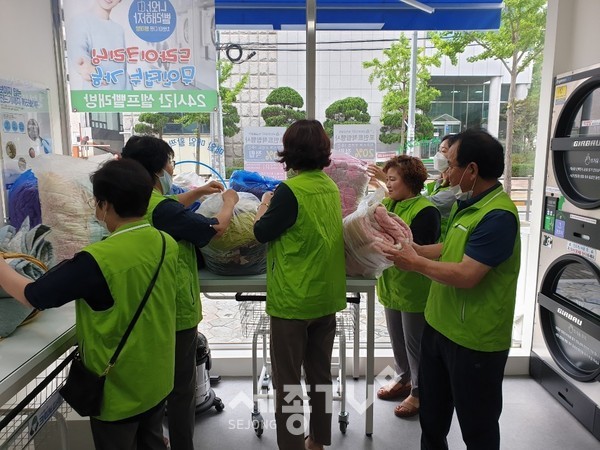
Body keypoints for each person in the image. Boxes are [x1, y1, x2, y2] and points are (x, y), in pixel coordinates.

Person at [0, 158, 179, 450]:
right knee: (153, 441)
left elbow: (34, 296)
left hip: (119, 388)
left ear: (105, 205)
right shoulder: (164, 242)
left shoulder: (96, 260)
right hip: (157, 376)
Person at [383, 129, 521, 449]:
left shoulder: (497, 215)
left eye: (451, 164)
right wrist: (411, 249)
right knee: (432, 420)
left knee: (477, 427)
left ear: (472, 170)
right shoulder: (467, 202)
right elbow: (450, 247)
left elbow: (468, 273)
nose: (446, 172)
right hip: (439, 326)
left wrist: (414, 263)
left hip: (474, 340)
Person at [121, 135, 238, 450]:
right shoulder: (161, 209)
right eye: (170, 163)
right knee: (180, 389)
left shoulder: (132, 200)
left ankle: (155, 440)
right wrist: (229, 203)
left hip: (142, 308)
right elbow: (213, 229)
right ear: (159, 170)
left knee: (152, 383)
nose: (171, 169)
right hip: (173, 310)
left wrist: (197, 192)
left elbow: (167, 208)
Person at [253, 120, 346, 450]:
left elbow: (261, 233)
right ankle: (318, 441)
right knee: (321, 376)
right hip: (326, 296)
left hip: (293, 301)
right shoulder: (329, 186)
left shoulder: (289, 192)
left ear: (289, 152)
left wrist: (262, 206)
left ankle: (291, 444)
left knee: (288, 381)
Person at [367, 156, 441, 419]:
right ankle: (404, 378)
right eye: (387, 179)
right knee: (398, 341)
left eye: (392, 179)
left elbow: (419, 251)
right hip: (391, 286)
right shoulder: (388, 204)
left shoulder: (425, 210)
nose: (388, 184)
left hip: (414, 290)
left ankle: (420, 392)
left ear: (410, 180)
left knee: (416, 345)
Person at [66, 0, 131, 90]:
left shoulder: (118, 30)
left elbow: (122, 70)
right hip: (97, 98)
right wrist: (84, 64)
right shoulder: (80, 21)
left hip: (122, 99)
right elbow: (77, 50)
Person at [424, 135, 457, 236]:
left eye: (443, 151)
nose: (438, 156)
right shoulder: (439, 183)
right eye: (439, 150)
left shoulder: (454, 192)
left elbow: (418, 201)